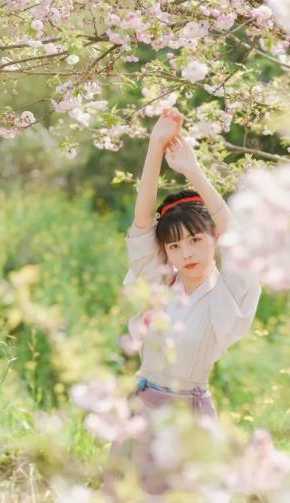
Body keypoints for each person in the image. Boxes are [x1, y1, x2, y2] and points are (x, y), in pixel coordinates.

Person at [108, 107, 261, 496]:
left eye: (195, 240)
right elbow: (143, 224)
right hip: (141, 408)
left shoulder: (228, 295)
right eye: (175, 245)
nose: (186, 252)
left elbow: (236, 234)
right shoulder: (160, 284)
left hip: (187, 416)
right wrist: (155, 147)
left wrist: (193, 170)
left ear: (213, 238)